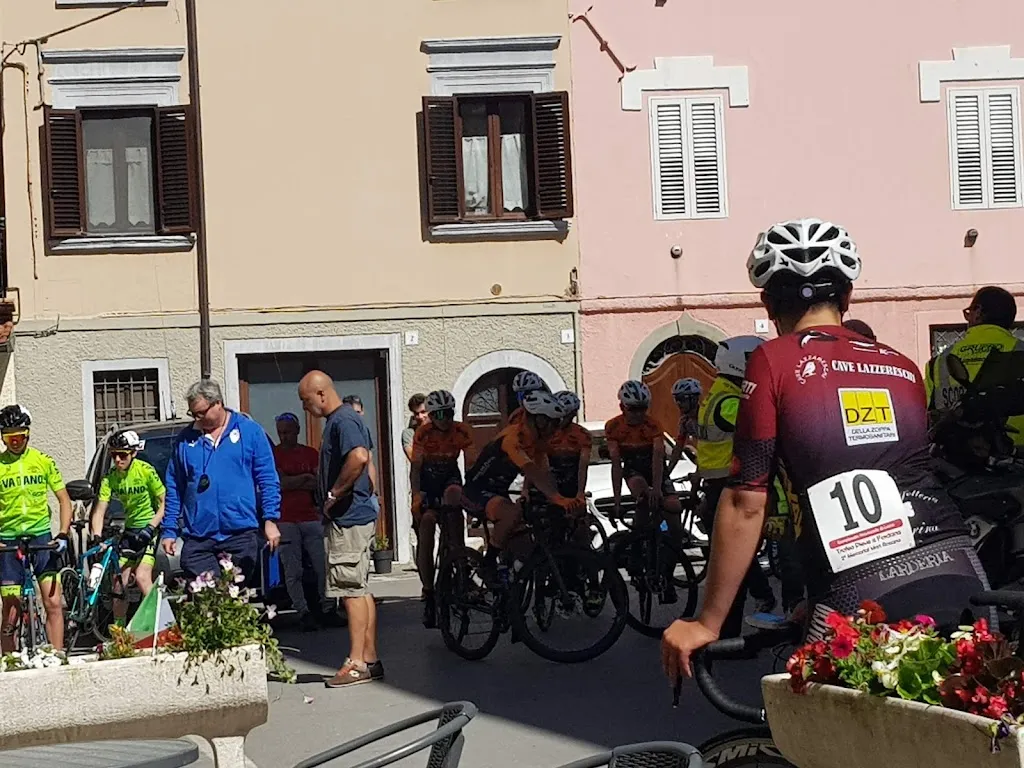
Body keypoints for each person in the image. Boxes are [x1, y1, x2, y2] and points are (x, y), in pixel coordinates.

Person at [662, 217, 985, 680]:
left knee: (821, 740)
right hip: (958, 565)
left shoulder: (773, 360)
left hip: (863, 587)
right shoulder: (903, 366)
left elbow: (745, 501)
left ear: (768, 303)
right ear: (847, 297)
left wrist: (707, 622)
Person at [298, 371, 383, 687]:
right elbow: (368, 459)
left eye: (306, 401)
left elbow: (360, 457)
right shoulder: (344, 419)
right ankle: (370, 659)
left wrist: (336, 493)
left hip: (348, 519)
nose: (307, 409)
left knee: (350, 591)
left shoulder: (342, 421)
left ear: (320, 394)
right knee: (360, 589)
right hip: (355, 515)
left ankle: (357, 662)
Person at [161, 380, 282, 581]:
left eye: (202, 412)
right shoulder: (185, 440)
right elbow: (174, 486)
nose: (197, 419)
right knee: (207, 599)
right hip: (198, 537)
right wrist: (169, 530)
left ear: (218, 403)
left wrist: (270, 520)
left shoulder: (250, 432)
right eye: (193, 414)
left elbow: (268, 478)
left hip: (240, 533)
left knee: (234, 600)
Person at [696, 336, 778, 632]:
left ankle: (745, 613)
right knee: (735, 559)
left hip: (715, 485)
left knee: (731, 556)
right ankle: (734, 627)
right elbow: (759, 429)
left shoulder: (716, 393)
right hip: (731, 486)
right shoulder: (731, 401)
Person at [462, 390, 577, 581]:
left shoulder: (538, 442)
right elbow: (531, 469)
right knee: (512, 513)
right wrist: (558, 498)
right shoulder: (512, 438)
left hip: (497, 491)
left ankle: (510, 584)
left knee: (525, 545)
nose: (555, 429)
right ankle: (488, 563)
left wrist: (560, 499)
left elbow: (544, 474)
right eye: (552, 422)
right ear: (538, 420)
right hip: (475, 491)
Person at [0, 405, 71, 652]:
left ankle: (58, 656)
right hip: (8, 539)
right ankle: (8, 664)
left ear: (28, 434)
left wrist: (62, 533)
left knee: (52, 602)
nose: (16, 442)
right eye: (10, 437)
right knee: (10, 607)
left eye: (20, 436)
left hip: (41, 535)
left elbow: (64, 499)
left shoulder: (43, 461)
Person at [926, 286, 1024, 447]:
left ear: (978, 312)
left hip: (957, 460)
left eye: (969, 312)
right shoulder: (1020, 351)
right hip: (1016, 459)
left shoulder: (938, 362)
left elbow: (929, 416)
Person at [409, 390, 474, 627]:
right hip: (427, 482)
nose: (445, 419)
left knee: (454, 503)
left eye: (449, 414)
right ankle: (428, 590)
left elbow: (472, 460)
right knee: (426, 527)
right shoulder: (423, 434)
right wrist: (416, 497)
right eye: (440, 415)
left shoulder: (461, 430)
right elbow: (416, 469)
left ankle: (460, 565)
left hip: (449, 478)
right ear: (433, 415)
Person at [89, 430, 165, 625]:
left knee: (141, 577)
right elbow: (99, 511)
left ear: (133, 453)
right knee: (118, 583)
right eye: (113, 455)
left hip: (150, 528)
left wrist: (151, 526)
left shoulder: (145, 471)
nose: (117, 459)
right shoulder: (110, 478)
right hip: (130, 530)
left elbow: (165, 503)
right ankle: (119, 632)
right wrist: (96, 537)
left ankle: (161, 625)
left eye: (123, 455)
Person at [272, 413, 338, 632]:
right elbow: (280, 483)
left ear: (297, 430)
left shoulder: (310, 454)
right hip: (286, 520)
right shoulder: (274, 455)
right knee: (293, 571)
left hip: (311, 517)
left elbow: (318, 483)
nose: (284, 436)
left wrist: (294, 481)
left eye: (288, 431)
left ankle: (327, 608)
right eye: (280, 432)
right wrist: (303, 479)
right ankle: (303, 611)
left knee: (323, 566)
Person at [606, 381, 684, 541]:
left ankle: (672, 547)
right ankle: (637, 540)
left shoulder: (653, 425)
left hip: (655, 468)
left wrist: (657, 488)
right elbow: (616, 464)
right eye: (633, 409)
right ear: (622, 407)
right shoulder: (613, 426)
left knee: (674, 509)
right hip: (633, 470)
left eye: (643, 408)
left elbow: (657, 457)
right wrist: (617, 500)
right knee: (644, 495)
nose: (639, 414)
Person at [666, 378, 701, 475]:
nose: (678, 403)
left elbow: (709, 449)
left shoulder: (706, 418)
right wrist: (667, 473)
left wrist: (698, 473)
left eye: (682, 399)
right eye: (676, 399)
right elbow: (678, 448)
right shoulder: (685, 421)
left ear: (694, 399)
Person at [401, 394, 429, 462]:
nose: (420, 416)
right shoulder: (409, 433)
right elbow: (414, 458)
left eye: (423, 412)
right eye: (416, 414)